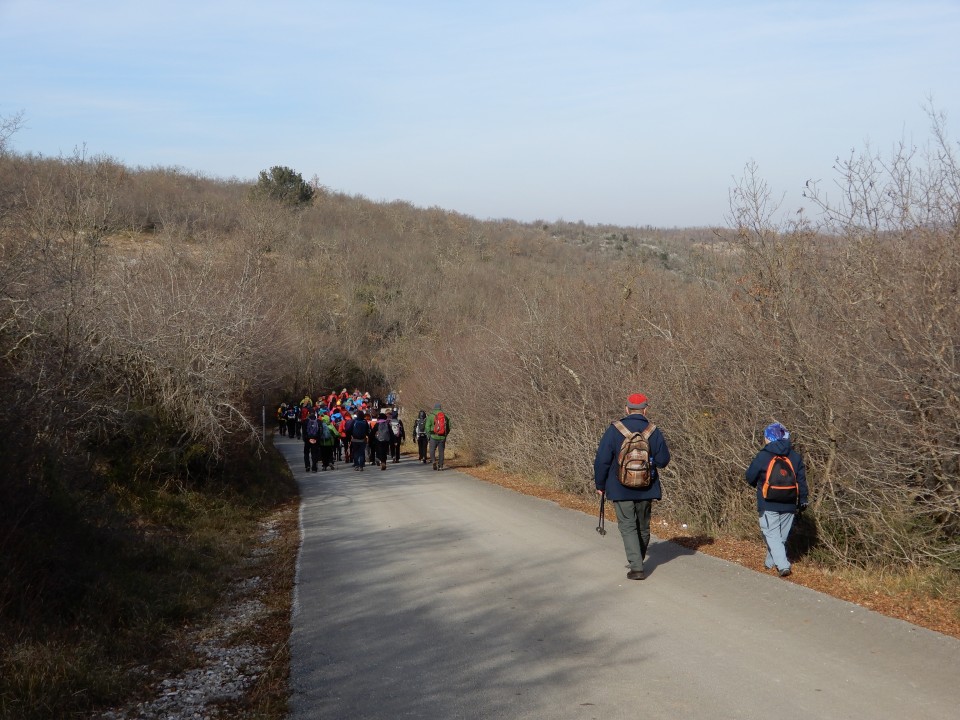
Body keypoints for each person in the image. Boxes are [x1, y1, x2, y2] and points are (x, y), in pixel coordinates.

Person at [593, 393, 671, 581]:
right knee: (643, 526)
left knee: (628, 526)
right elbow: (663, 461)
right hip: (647, 487)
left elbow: (602, 460)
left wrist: (600, 485)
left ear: (626, 409)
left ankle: (636, 567)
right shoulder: (653, 431)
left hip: (620, 488)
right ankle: (638, 558)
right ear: (645, 409)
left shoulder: (614, 430)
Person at [745, 422, 809, 577]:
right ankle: (769, 563)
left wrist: (758, 485)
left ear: (769, 438)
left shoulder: (763, 455)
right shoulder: (795, 457)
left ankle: (783, 565)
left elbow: (749, 477)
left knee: (772, 535)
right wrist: (803, 499)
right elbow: (801, 481)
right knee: (779, 537)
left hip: (768, 502)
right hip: (789, 502)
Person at [426, 403, 450, 470]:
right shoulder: (445, 416)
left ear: (434, 408)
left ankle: (433, 461)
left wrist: (429, 435)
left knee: (432, 450)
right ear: (440, 408)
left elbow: (427, 427)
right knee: (441, 451)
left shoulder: (431, 416)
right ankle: (441, 466)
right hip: (442, 437)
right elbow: (449, 426)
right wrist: (446, 434)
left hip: (433, 436)